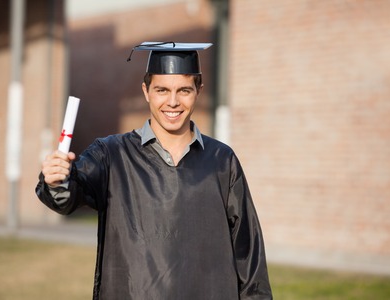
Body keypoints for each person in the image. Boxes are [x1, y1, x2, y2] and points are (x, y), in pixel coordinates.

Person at [36, 42, 273, 299]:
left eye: (183, 90)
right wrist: (57, 180)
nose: (173, 102)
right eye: (162, 90)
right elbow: (69, 195)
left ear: (198, 90)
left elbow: (248, 253)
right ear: (146, 90)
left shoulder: (221, 160)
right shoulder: (111, 155)